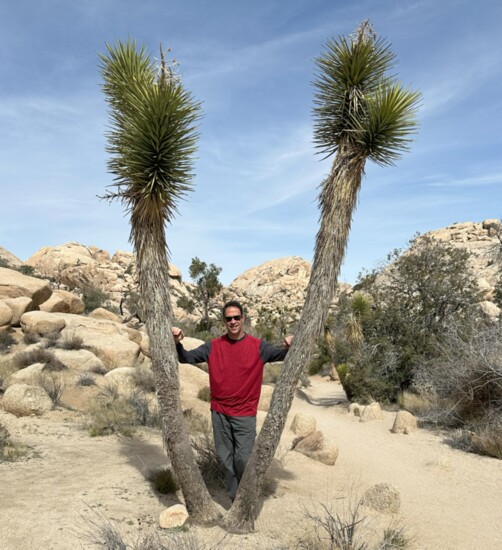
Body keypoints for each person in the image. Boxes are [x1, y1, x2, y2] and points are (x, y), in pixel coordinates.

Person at [172, 299, 292, 501]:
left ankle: (246, 495)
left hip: (245, 413)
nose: (233, 321)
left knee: (243, 458)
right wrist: (177, 343)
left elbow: (283, 354)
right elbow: (186, 358)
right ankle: (235, 497)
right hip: (219, 412)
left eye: (237, 317)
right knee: (224, 457)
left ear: (243, 319)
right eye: (229, 318)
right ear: (224, 321)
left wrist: (291, 344)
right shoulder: (214, 346)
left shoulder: (258, 347)